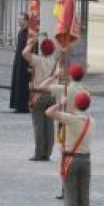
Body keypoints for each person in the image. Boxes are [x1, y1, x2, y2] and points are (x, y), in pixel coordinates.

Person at [46, 92, 94, 206]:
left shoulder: (71, 119)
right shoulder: (91, 120)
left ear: (75, 104)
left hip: (71, 160)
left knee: (71, 197)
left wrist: (61, 103)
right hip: (86, 160)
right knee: (84, 197)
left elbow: (49, 112)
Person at [22, 32, 59, 161]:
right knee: (49, 125)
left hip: (39, 95)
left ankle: (39, 153)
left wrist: (31, 42)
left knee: (39, 125)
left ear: (42, 49)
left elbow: (24, 53)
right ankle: (47, 153)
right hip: (52, 95)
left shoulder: (38, 60)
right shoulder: (55, 61)